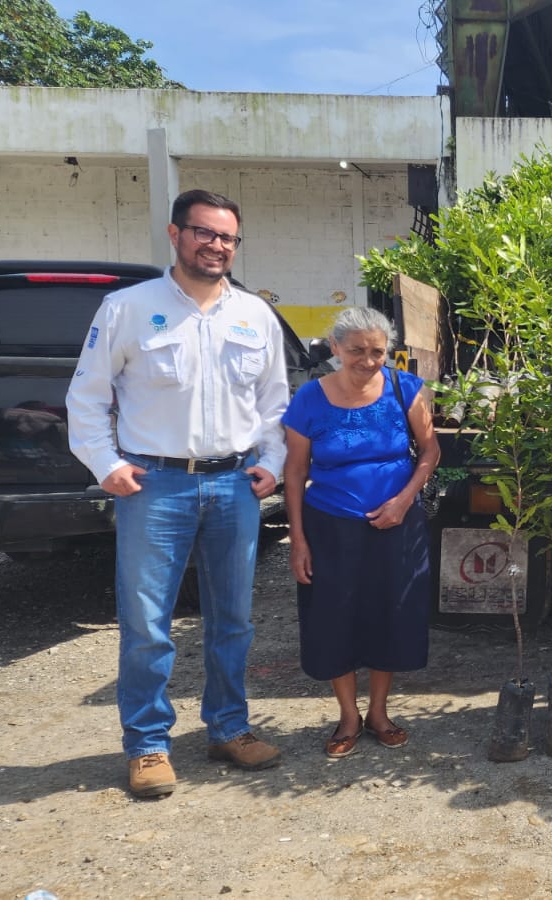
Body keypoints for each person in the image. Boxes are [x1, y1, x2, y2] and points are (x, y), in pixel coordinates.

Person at [67, 189, 290, 798]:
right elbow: (86, 397)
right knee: (147, 622)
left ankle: (229, 728)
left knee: (233, 619)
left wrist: (273, 461)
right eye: (204, 233)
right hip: (153, 484)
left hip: (234, 484)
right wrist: (105, 463)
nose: (216, 245)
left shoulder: (254, 315)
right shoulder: (127, 308)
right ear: (175, 234)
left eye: (227, 237)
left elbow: (274, 404)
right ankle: (147, 744)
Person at [282, 307, 439, 759]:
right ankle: (348, 716)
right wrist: (298, 539)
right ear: (334, 348)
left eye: (377, 351)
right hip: (330, 525)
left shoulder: (404, 388)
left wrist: (404, 499)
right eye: (356, 351)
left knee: (389, 614)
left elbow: (430, 451)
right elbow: (295, 471)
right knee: (335, 618)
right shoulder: (310, 398)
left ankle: (380, 713)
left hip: (396, 524)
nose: (368, 361)